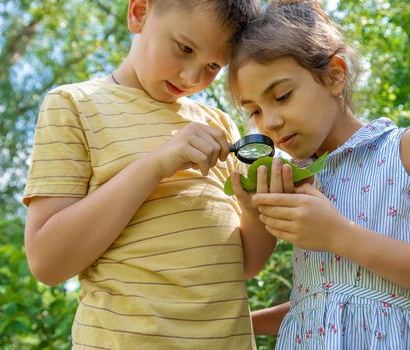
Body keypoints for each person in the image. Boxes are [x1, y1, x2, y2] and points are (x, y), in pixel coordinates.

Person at [226, 0, 410, 348]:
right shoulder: (295, 179)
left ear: (335, 75)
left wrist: (340, 236)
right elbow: (328, 298)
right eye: (255, 111)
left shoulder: (409, 149)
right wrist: (250, 210)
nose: (270, 122)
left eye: (282, 96)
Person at [23, 1, 273, 349]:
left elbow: (244, 264)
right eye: (184, 48)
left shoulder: (218, 126)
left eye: (213, 66)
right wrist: (155, 165)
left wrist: (256, 206)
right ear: (139, 12)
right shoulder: (74, 105)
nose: (191, 77)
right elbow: (47, 263)